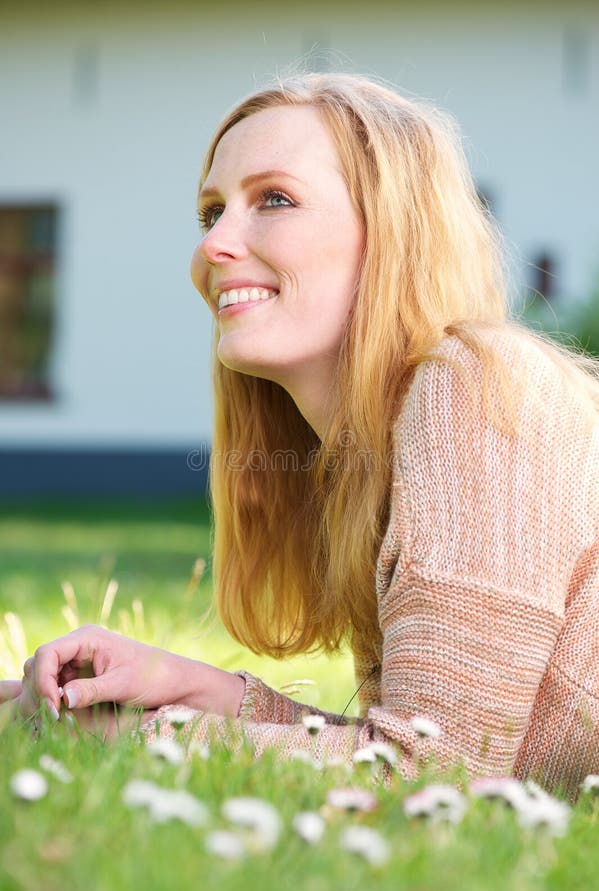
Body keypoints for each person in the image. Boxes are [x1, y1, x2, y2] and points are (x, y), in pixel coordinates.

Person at [2, 73, 598, 799]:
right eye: (210, 212)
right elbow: (414, 744)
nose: (213, 247)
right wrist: (192, 690)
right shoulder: (371, 451)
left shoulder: (470, 387)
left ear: (393, 231)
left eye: (274, 200)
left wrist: (141, 737)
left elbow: (437, 780)